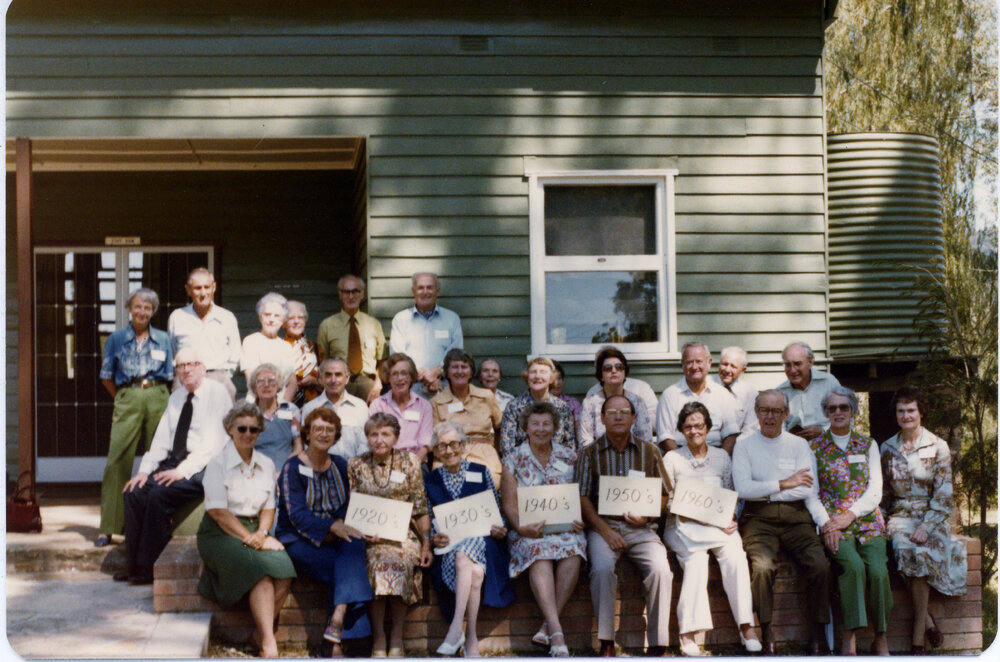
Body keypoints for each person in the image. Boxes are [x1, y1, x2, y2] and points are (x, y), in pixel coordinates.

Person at [732, 389, 832, 656]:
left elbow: (807, 489)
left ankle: (818, 631)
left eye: (776, 411)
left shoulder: (798, 445)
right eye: (764, 410)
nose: (770, 416)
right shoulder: (744, 445)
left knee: (820, 565)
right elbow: (743, 489)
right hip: (758, 518)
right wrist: (785, 483)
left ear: (786, 414)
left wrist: (765, 489)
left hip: (797, 517)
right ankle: (767, 631)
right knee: (762, 567)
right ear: (756, 412)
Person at [118, 348, 230, 585]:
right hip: (175, 461)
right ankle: (133, 565)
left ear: (203, 368)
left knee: (159, 493)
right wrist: (144, 471)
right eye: (181, 366)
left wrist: (182, 471)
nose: (186, 370)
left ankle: (150, 568)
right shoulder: (177, 397)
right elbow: (160, 441)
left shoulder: (217, 393)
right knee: (134, 492)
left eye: (191, 364)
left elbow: (213, 444)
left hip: (204, 466)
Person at [196, 401, 296, 658]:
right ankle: (269, 644)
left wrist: (262, 533)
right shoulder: (217, 463)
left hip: (255, 528)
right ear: (230, 430)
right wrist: (252, 539)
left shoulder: (266, 463)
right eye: (242, 428)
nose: (248, 434)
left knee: (285, 570)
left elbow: (269, 507)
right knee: (260, 572)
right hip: (220, 531)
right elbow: (218, 512)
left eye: (254, 429)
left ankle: (257, 636)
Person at [576, 394, 672, 657]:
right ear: (602, 418)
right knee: (602, 569)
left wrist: (648, 517)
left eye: (624, 412)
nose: (618, 416)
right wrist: (605, 531)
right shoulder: (589, 454)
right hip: (603, 527)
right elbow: (582, 498)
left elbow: (665, 494)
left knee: (661, 570)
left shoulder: (650, 451)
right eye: (612, 412)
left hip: (641, 527)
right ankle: (606, 641)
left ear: (633, 418)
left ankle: (659, 644)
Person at [662, 402, 760, 656]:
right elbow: (667, 501)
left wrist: (731, 516)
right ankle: (687, 632)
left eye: (699, 426)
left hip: (718, 526)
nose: (694, 431)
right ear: (681, 430)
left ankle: (746, 626)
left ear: (707, 428)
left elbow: (732, 494)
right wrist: (698, 515)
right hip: (681, 526)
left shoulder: (722, 457)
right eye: (688, 427)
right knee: (696, 561)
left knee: (736, 556)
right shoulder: (672, 459)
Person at [275, 407, 373, 657]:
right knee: (345, 568)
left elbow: (347, 503)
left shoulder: (340, 464)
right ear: (307, 433)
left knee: (355, 542)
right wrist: (331, 527)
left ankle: (335, 627)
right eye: (318, 428)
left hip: (336, 534)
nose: (324, 433)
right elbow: (296, 514)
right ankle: (342, 639)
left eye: (330, 430)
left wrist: (340, 522)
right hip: (299, 538)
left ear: (336, 435)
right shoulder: (292, 467)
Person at [881, 385, 967, 654]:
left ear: (921, 412)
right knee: (904, 549)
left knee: (921, 552)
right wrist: (879, 521)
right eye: (901, 411)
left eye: (911, 410)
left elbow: (944, 494)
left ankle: (917, 636)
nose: (906, 416)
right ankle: (926, 623)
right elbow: (884, 493)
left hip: (932, 515)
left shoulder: (938, 446)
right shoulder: (887, 448)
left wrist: (926, 526)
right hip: (899, 517)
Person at [500, 402, 586, 658]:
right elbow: (509, 504)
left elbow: (579, 495)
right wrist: (521, 527)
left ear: (555, 428)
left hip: (564, 528)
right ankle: (557, 633)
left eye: (546, 424)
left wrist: (578, 518)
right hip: (529, 530)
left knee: (574, 549)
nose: (541, 429)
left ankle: (548, 626)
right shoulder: (512, 459)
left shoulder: (570, 456)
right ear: (526, 428)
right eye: (535, 424)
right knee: (539, 553)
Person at [811, 386, 891, 656]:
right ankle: (850, 637)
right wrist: (827, 524)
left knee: (878, 572)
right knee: (854, 567)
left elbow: (875, 490)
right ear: (826, 412)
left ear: (854, 411)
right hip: (833, 525)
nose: (838, 412)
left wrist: (851, 515)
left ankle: (881, 637)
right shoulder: (814, 448)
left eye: (843, 407)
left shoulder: (868, 445)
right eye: (832, 408)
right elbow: (811, 494)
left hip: (867, 522)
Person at [426, 422, 515, 657]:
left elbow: (495, 512)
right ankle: (471, 638)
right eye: (442, 446)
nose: (449, 450)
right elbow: (430, 520)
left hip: (483, 544)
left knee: (463, 554)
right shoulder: (431, 480)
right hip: (449, 548)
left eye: (454, 444)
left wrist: (500, 528)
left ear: (463, 445)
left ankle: (456, 629)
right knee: (473, 571)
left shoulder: (481, 471)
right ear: (436, 451)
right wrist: (434, 538)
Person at [348, 413, 433, 657]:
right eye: (373, 434)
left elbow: (419, 506)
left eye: (385, 434)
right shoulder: (355, 464)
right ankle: (379, 637)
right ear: (367, 437)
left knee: (399, 563)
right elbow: (354, 508)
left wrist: (426, 543)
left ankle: (396, 634)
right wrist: (362, 533)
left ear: (396, 437)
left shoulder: (410, 462)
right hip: (369, 536)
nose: (379, 440)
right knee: (377, 564)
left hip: (403, 535)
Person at [96, 288, 173, 547]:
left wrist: (157, 397)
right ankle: (109, 527)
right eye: (138, 306)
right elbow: (106, 376)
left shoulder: (163, 339)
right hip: (128, 395)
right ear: (130, 308)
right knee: (117, 458)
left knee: (160, 457)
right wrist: (123, 397)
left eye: (147, 308)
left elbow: (170, 375)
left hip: (158, 395)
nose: (142, 312)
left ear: (153, 312)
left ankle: (157, 525)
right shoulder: (116, 339)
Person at [167, 267, 241, 401]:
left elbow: (235, 353)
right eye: (197, 288)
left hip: (219, 379)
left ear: (214, 287)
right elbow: (172, 352)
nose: (203, 293)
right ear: (188, 290)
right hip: (186, 379)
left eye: (207, 287)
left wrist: (223, 376)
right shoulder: (177, 317)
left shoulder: (227, 317)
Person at [431, 349, 504, 483]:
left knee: (488, 481)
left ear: (471, 372)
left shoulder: (486, 396)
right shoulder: (436, 402)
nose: (460, 371)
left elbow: (499, 427)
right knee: (447, 483)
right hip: (449, 455)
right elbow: (435, 439)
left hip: (484, 455)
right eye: (455, 367)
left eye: (464, 367)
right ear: (447, 372)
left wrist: (497, 453)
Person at [388, 272, 463, 397]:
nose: (425, 292)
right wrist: (421, 375)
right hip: (410, 390)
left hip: (444, 387)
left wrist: (437, 372)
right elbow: (397, 356)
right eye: (420, 288)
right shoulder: (400, 320)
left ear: (437, 291)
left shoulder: (452, 319)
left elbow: (457, 353)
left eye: (429, 287)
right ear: (413, 291)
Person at [656, 342, 739, 454]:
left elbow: (731, 434)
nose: (694, 367)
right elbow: (665, 438)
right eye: (689, 362)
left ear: (709, 363)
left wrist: (720, 459)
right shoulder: (669, 395)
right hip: (680, 456)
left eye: (699, 361)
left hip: (716, 454)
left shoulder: (722, 394)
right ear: (682, 364)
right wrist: (682, 461)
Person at [316, 274, 387, 403]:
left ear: (362, 294)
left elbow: (382, 359)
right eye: (346, 292)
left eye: (355, 291)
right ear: (340, 295)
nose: (351, 296)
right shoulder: (327, 325)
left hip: (368, 385)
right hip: (339, 383)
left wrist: (378, 383)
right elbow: (322, 361)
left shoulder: (374, 324)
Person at [499, 357, 576, 458]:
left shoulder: (562, 408)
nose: (537, 376)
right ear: (527, 377)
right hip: (522, 464)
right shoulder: (513, 406)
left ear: (551, 378)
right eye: (533, 372)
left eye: (543, 372)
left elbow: (569, 445)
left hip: (557, 463)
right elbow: (507, 447)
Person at [578, 347, 653, 448]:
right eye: (607, 368)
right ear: (601, 375)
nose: (614, 370)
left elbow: (645, 440)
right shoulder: (590, 403)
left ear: (625, 373)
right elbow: (585, 441)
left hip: (633, 455)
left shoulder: (637, 402)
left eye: (619, 367)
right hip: (598, 455)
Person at [368, 353, 433, 462]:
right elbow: (374, 440)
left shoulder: (424, 406)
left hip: (416, 462)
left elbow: (425, 446)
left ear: (411, 377)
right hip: (384, 461)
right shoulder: (378, 405)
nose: (400, 378)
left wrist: (409, 467)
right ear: (388, 378)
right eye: (394, 374)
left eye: (404, 373)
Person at [302, 358, 369, 459]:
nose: (333, 380)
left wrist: (357, 465)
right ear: (320, 378)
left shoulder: (360, 407)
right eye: (328, 375)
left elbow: (365, 443)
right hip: (322, 467)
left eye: (338, 375)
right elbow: (308, 445)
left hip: (354, 466)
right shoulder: (310, 408)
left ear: (347, 378)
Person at [776, 341, 841, 441]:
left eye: (797, 364)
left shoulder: (828, 383)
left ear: (810, 362)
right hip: (793, 446)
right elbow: (778, 426)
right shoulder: (780, 392)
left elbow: (846, 418)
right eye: (788, 365)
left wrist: (823, 431)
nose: (792, 370)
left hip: (827, 443)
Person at [240, 292, 297, 402]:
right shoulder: (251, 341)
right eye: (267, 314)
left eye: (277, 316)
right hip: (257, 403)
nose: (271, 319)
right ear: (260, 317)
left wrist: (283, 405)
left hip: (282, 404)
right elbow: (252, 379)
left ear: (283, 320)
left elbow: (292, 383)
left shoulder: (286, 347)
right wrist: (269, 406)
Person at [248, 363, 302, 474]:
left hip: (287, 472)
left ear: (278, 386)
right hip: (255, 473)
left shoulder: (291, 410)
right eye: (260, 381)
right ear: (254, 387)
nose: (266, 385)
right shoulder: (247, 414)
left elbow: (298, 447)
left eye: (271, 381)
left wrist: (284, 471)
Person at [283, 300, 324, 407]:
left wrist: (314, 381)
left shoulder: (316, 348)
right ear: (283, 323)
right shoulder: (279, 347)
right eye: (291, 318)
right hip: (288, 405)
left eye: (300, 317)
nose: (296, 321)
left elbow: (327, 381)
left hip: (316, 405)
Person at [711, 345, 758, 435]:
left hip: (737, 442)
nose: (727, 370)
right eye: (724, 364)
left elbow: (749, 430)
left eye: (733, 366)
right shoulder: (706, 386)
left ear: (743, 370)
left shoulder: (750, 394)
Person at [550, 360, 581, 429]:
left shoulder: (573, 403)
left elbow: (579, 431)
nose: (557, 383)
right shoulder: (538, 403)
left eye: (559, 378)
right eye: (553, 379)